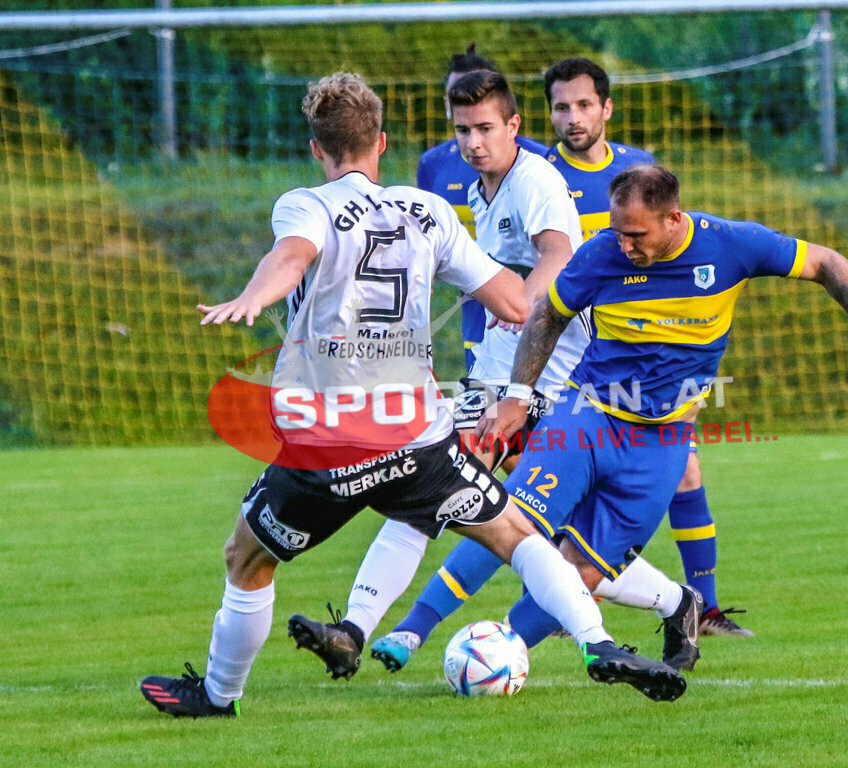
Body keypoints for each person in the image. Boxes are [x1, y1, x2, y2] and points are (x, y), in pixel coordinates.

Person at [138, 73, 687, 718]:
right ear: (382, 144)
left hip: (330, 441)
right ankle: (595, 643)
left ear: (318, 150)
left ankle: (218, 695)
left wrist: (253, 297)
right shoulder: (428, 212)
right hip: (417, 434)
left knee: (246, 560)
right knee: (516, 534)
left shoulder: (304, 204)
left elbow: (290, 256)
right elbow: (515, 301)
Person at [469, 163, 848, 650]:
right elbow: (548, 315)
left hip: (663, 436)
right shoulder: (603, 253)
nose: (624, 245)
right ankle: (425, 633)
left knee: (588, 566)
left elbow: (827, 262)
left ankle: (505, 650)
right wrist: (518, 396)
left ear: (673, 219)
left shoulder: (731, 244)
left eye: (635, 234)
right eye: (618, 232)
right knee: (512, 520)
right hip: (590, 411)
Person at [543, 57, 748, 636]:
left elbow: (670, 251)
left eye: (584, 105)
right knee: (533, 486)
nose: (573, 117)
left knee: (683, 468)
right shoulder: (536, 171)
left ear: (606, 107)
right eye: (562, 106)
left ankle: (700, 607)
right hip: (561, 341)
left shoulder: (638, 170)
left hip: (633, 351)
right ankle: (570, 593)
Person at [417, 45, 547, 370]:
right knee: (484, 398)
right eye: (455, 95)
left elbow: (559, 251)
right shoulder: (433, 164)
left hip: (529, 298)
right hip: (473, 302)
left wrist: (525, 298)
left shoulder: (537, 164)